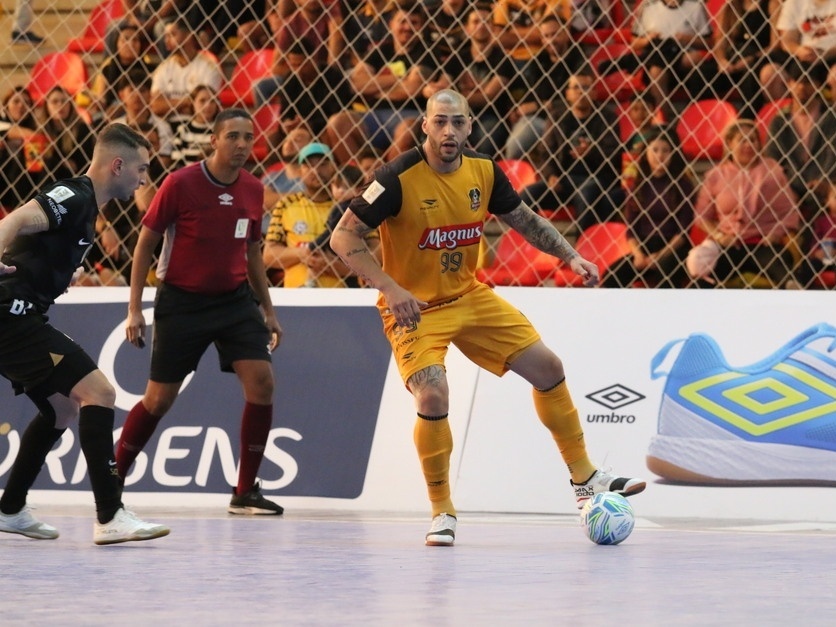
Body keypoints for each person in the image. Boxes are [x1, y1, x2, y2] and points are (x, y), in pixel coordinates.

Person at [329, 89, 646, 546]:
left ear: (471, 126)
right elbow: (344, 237)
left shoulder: (483, 171)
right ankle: (441, 511)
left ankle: (585, 480)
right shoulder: (396, 177)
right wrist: (391, 288)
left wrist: (571, 256)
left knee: (549, 368)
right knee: (433, 394)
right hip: (414, 308)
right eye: (439, 122)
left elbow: (525, 220)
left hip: (470, 296)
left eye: (457, 123)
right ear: (425, 126)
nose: (449, 132)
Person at [0, 123, 170, 544]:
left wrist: (61, 272)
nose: (145, 179)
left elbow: (37, 251)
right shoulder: (74, 196)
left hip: (23, 316)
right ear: (118, 165)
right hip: (9, 317)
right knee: (100, 393)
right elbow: (19, 218)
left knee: (61, 408)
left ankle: (11, 507)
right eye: (142, 169)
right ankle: (110, 515)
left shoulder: (89, 209)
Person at [115, 108, 284, 516]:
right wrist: (134, 308)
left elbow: (253, 253)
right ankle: (112, 478)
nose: (242, 145)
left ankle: (245, 492)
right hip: (182, 303)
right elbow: (145, 246)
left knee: (262, 383)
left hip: (234, 300)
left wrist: (268, 309)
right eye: (233, 137)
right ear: (214, 140)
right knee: (158, 400)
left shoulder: (253, 189)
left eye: (248, 137)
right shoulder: (180, 183)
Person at [691, 120, 801, 288]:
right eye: (742, 140)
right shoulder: (716, 175)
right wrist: (720, 237)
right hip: (729, 244)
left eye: (753, 140)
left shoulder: (772, 171)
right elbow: (701, 216)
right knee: (698, 269)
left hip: (763, 243)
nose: (748, 145)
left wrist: (776, 233)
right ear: (729, 143)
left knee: (781, 267)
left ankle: (792, 293)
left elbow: (790, 212)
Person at [520, 70, 623, 231]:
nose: (581, 91)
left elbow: (613, 155)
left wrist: (590, 151)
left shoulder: (608, 118)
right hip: (564, 180)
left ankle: (581, 249)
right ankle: (529, 244)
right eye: (576, 87)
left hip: (596, 179)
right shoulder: (557, 117)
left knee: (585, 193)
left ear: (594, 93)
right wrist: (551, 175)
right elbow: (545, 151)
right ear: (567, 94)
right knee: (528, 194)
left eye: (586, 87)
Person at [602, 125, 694, 288]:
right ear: (646, 154)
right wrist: (638, 255)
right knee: (611, 276)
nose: (660, 155)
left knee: (665, 272)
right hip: (644, 246)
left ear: (674, 153)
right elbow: (631, 229)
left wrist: (659, 256)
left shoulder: (684, 186)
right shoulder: (636, 186)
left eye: (665, 150)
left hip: (673, 248)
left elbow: (683, 232)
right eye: (655, 150)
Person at [262, 141, 341, 287]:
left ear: (334, 167)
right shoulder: (286, 204)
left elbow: (376, 253)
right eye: (308, 165)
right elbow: (268, 255)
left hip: (344, 297)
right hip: (296, 295)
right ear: (299, 171)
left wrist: (335, 266)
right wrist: (303, 254)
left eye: (322, 164)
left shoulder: (347, 206)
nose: (316, 170)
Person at [149, 17, 225, 124]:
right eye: (165, 36)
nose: (167, 40)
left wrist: (168, 105)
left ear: (188, 36)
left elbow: (206, 108)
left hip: (199, 126)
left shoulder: (210, 67)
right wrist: (186, 101)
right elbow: (156, 106)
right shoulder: (163, 68)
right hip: (167, 126)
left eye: (172, 35)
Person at [170, 84, 220, 167]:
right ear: (193, 103)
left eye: (212, 101)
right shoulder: (183, 129)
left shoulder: (221, 129)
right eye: (202, 101)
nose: (208, 105)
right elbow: (177, 163)